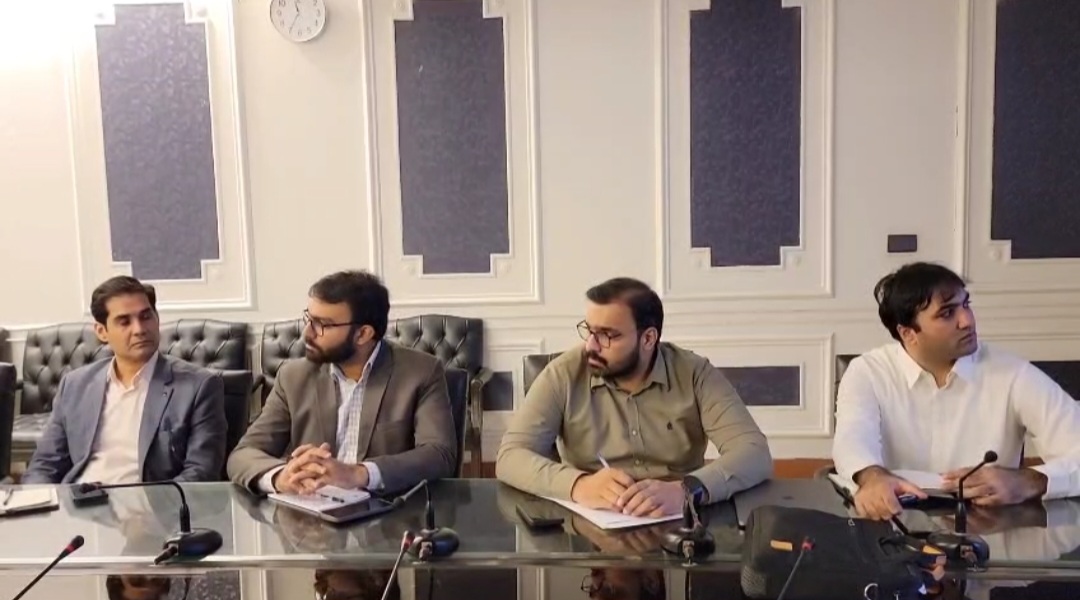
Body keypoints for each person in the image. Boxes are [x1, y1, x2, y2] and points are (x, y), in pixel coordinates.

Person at [496, 277, 772, 516]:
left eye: (607, 335)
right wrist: (579, 485)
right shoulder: (563, 374)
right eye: (589, 331)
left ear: (648, 339)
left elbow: (754, 452)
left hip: (676, 521)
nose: (591, 346)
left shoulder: (694, 373)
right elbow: (510, 456)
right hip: (590, 523)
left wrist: (687, 491)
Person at [833, 262, 1080, 520]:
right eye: (947, 313)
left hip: (989, 532)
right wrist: (872, 478)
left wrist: (1028, 481)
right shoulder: (868, 372)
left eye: (966, 305)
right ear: (908, 333)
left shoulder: (1013, 374)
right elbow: (853, 441)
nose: (967, 321)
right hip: (895, 528)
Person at [227, 270, 457, 495]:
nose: (307, 333)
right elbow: (244, 454)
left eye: (323, 325)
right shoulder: (293, 377)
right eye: (309, 319)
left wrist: (359, 474)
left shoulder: (421, 372)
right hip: (311, 511)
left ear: (363, 334)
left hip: (389, 510)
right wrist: (280, 477)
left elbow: (439, 454)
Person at [22, 276, 226, 484]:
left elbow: (201, 472)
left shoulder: (199, 386)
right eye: (124, 322)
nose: (139, 329)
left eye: (146, 316)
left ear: (157, 319)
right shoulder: (75, 385)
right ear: (102, 332)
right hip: (79, 499)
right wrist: (36, 500)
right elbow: (45, 464)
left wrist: (146, 501)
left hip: (151, 500)